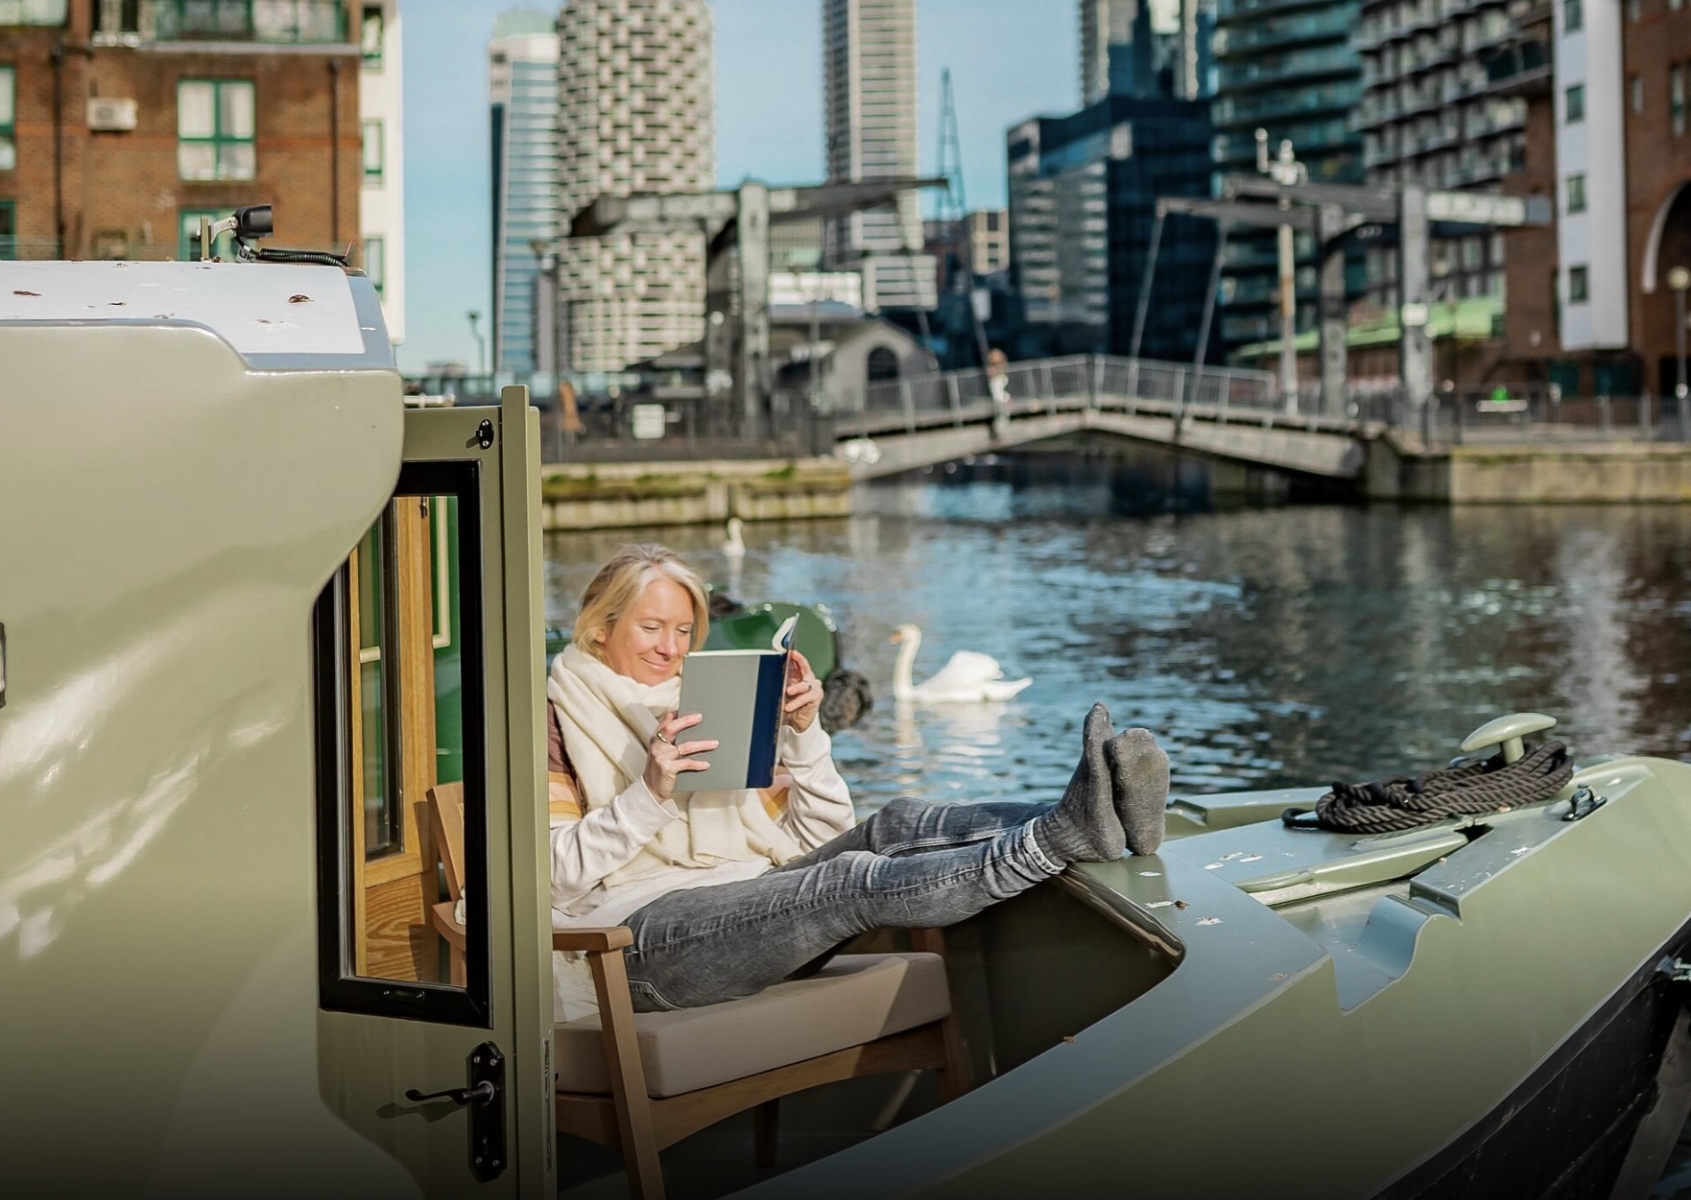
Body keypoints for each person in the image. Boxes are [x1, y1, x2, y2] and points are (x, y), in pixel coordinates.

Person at [546, 543, 1169, 1020]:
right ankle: (1054, 840)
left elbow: (821, 833)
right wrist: (652, 793)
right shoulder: (551, 717)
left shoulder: (703, 699)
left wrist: (804, 730)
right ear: (600, 626)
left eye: (683, 631)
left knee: (895, 822)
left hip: (738, 895)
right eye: (651, 628)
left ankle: (1097, 809)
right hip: (626, 940)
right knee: (844, 883)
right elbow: (550, 876)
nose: (670, 648)